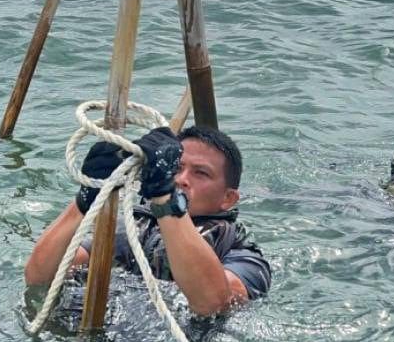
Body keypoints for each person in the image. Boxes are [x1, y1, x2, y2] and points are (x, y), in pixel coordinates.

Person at [25, 126, 271, 317]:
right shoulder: (132, 230)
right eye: (176, 168)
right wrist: (85, 200)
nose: (182, 179)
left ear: (228, 198)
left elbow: (214, 304)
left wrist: (166, 198)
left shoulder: (243, 255)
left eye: (201, 173)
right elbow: (39, 276)